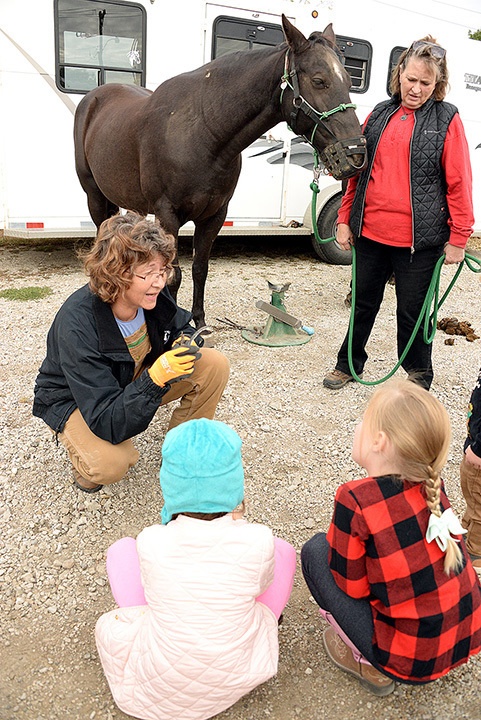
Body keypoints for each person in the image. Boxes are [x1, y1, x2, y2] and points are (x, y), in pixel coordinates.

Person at [95, 418, 297, 720]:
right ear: (235, 484)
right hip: (235, 672)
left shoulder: (152, 540)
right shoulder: (257, 539)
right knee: (283, 552)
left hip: (161, 672)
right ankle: (262, 627)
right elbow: (261, 584)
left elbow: (151, 586)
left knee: (122, 550)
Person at [301, 379, 481, 696]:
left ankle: (369, 666)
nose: (358, 427)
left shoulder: (355, 498)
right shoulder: (432, 486)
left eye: (363, 422)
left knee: (315, 551)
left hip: (408, 661)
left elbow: (351, 586)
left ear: (379, 442)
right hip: (466, 636)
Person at [33, 212, 230, 492]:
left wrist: (183, 342)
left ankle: (181, 454)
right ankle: (82, 458)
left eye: (163, 271)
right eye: (148, 274)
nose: (159, 282)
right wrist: (155, 378)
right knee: (112, 463)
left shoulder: (150, 294)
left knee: (213, 364)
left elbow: (181, 325)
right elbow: (106, 418)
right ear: (116, 273)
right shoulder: (77, 323)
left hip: (128, 379)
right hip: (76, 398)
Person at [323, 37, 474, 391]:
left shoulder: (446, 119)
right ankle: (347, 364)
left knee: (414, 313)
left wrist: (459, 237)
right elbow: (356, 176)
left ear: (437, 85)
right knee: (362, 305)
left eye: (426, 83)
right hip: (371, 233)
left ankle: (418, 373)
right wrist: (345, 219)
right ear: (399, 74)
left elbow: (459, 182)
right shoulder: (378, 114)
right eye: (411, 79)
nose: (416, 89)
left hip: (418, 242)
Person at [460, 368, 481, 579]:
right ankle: (465, 532)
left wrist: (479, 449)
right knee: (473, 500)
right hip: (474, 447)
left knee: (479, 507)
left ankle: (475, 553)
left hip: (479, 458)